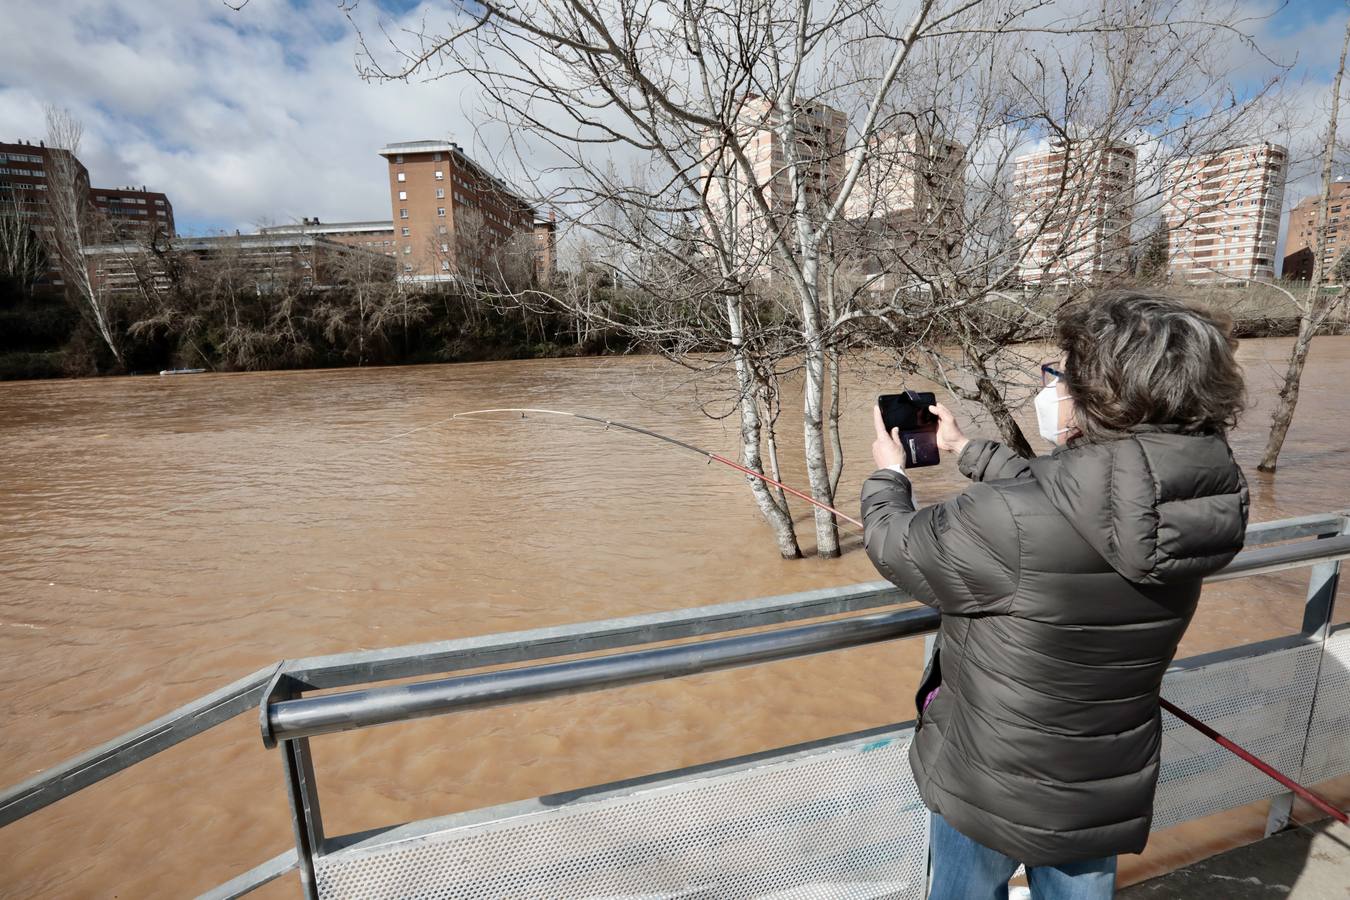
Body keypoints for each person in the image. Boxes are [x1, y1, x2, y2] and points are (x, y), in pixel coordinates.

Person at [861, 291, 1250, 900]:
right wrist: (968, 450)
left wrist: (888, 476)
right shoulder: (1194, 501)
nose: (1055, 388)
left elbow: (898, 547)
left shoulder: (1009, 518)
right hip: (1101, 778)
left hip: (989, 776)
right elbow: (1083, 498)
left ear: (1105, 392)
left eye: (1063, 374)